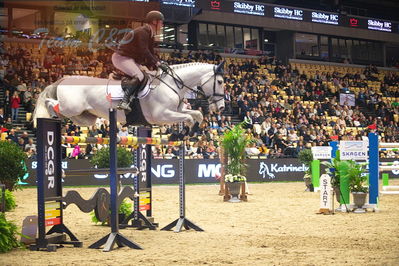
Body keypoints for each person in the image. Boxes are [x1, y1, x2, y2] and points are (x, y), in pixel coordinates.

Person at [112, 10, 167, 111]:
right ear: (154, 22)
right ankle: (124, 101)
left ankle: (134, 99)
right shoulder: (142, 32)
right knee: (140, 76)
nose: (162, 24)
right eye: (161, 22)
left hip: (130, 59)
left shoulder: (150, 34)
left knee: (148, 74)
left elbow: (151, 52)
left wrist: (159, 65)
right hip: (121, 57)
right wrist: (158, 63)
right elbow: (144, 50)